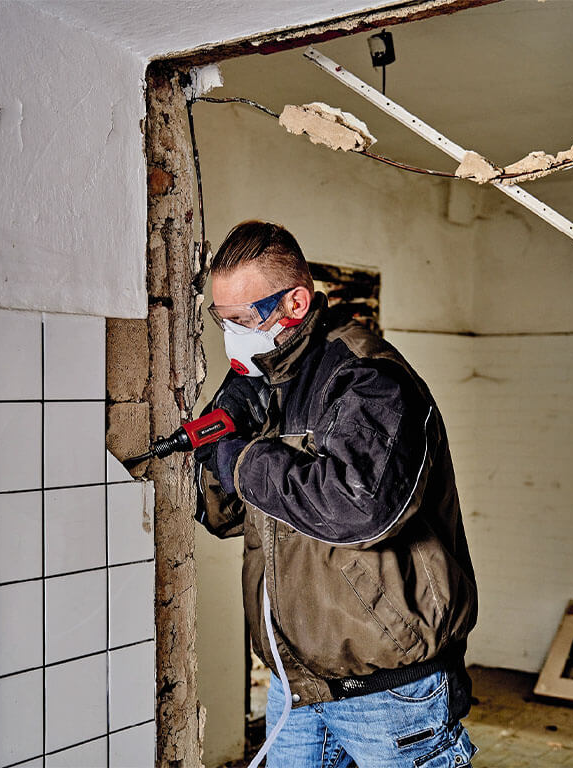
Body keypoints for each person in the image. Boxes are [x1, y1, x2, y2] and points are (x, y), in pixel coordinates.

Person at [194, 220, 480, 767]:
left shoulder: (369, 379)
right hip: (296, 688)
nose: (232, 334)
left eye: (242, 319)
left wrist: (248, 457)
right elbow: (224, 515)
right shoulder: (264, 383)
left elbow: (358, 507)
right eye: (221, 319)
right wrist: (225, 424)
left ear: (295, 302)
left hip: (389, 695)